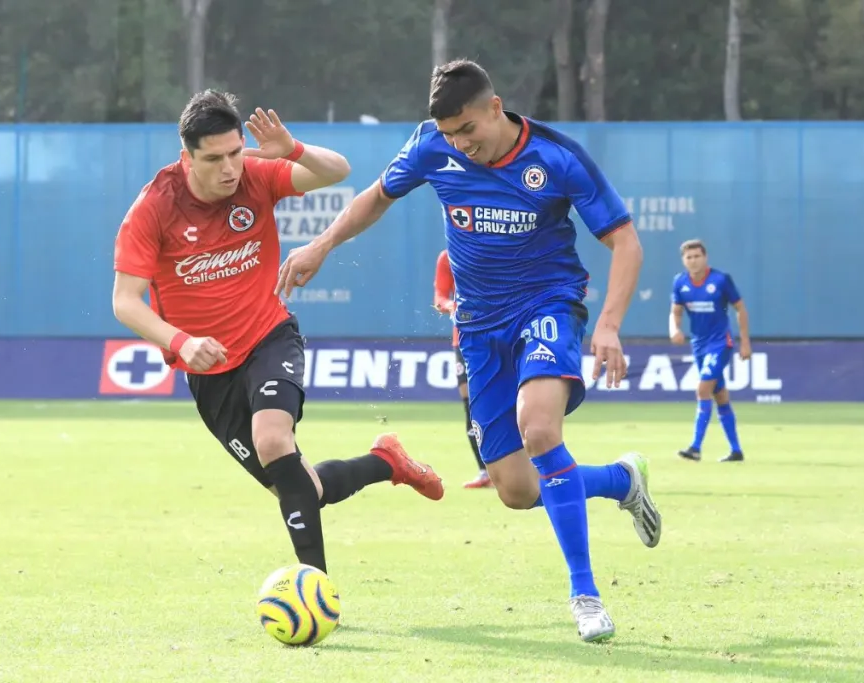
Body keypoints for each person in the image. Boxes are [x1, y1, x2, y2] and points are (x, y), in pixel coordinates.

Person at [276, 60, 662, 643]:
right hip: (478, 328)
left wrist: (608, 324)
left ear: (494, 106)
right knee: (516, 489)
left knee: (539, 430)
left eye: (468, 130)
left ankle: (585, 596)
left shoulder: (556, 157)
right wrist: (322, 245)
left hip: (547, 308)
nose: (461, 144)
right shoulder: (433, 146)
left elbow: (625, 241)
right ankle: (620, 480)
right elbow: (378, 196)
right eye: (451, 134)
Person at [111, 89, 444, 577]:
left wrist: (292, 148)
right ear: (186, 157)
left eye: (234, 152)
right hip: (207, 369)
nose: (229, 168)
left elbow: (338, 171)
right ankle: (385, 462)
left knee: (272, 440)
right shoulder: (154, 208)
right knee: (298, 488)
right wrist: (181, 343)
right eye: (213, 159)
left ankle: (318, 593)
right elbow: (124, 301)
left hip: (269, 337)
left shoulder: (255, 172)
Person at [669, 239, 750, 463]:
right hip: (699, 345)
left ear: (705, 258)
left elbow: (740, 308)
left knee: (703, 390)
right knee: (720, 395)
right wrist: (675, 329)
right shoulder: (680, 282)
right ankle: (736, 450)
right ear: (683, 261)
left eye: (697, 256)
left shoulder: (720, 280)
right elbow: (675, 312)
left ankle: (695, 447)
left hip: (721, 342)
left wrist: (745, 342)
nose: (693, 261)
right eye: (689, 257)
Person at [434, 248, 491, 488]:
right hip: (464, 338)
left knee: (508, 399)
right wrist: (450, 306)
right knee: (470, 404)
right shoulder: (448, 257)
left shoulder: (499, 249)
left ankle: (521, 466)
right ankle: (485, 472)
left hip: (497, 334)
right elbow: (439, 296)